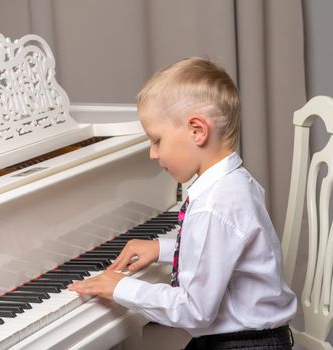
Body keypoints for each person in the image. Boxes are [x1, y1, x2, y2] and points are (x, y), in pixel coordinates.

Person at [69, 57, 297, 349]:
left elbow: (194, 311)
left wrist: (121, 287)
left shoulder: (213, 205)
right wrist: (165, 249)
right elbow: (224, 253)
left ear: (197, 131)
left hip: (244, 345)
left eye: (157, 140)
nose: (153, 153)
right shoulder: (234, 182)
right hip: (251, 339)